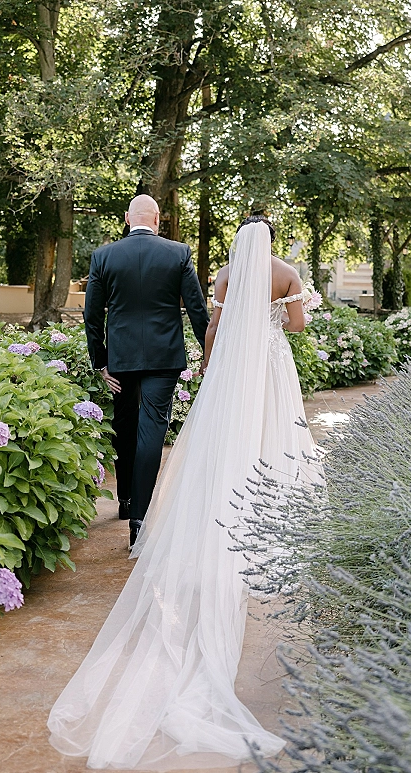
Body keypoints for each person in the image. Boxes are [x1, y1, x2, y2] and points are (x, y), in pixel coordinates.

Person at [48, 217, 321, 770]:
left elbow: (213, 328)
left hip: (205, 368)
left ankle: (137, 506)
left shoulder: (223, 275)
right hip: (268, 366)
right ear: (269, 240)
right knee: (273, 428)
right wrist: (293, 304)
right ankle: (266, 495)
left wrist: (209, 362)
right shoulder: (286, 272)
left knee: (194, 436)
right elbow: (293, 329)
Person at [84, 195, 209, 546]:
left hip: (120, 361)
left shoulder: (104, 256)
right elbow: (198, 311)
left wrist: (101, 362)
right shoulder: (178, 253)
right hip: (163, 358)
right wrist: (209, 353)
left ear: (127, 218)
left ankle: (125, 500)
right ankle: (139, 518)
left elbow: (92, 317)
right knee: (151, 432)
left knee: (123, 426)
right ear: (157, 219)